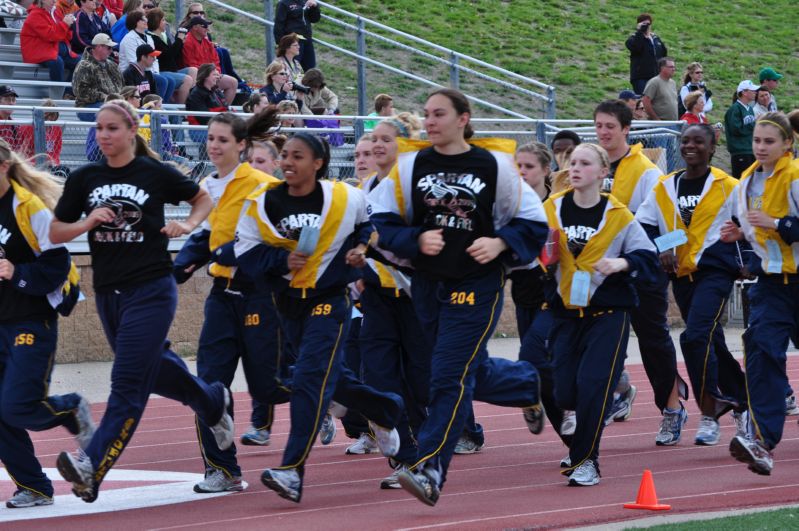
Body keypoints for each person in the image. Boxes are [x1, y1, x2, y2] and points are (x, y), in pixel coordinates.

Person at [50, 99, 234, 503]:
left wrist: (186, 224)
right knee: (155, 368)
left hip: (152, 289)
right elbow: (57, 232)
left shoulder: (153, 172)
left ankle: (90, 463)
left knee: (127, 383)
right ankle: (212, 401)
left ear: (133, 131)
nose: (103, 135)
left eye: (112, 128)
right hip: (108, 293)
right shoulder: (85, 177)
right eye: (99, 128)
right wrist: (88, 221)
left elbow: (202, 199)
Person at [368, 88, 546, 506]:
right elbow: (378, 220)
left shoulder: (493, 165)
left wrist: (501, 243)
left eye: (439, 114)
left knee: (447, 376)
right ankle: (526, 382)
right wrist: (414, 238)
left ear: (463, 118)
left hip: (477, 285)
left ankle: (429, 468)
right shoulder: (411, 166)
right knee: (462, 371)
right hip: (428, 286)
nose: (430, 122)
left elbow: (533, 222)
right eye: (427, 114)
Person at [234, 132, 405, 503]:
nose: (288, 162)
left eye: (298, 156)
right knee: (331, 378)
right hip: (288, 302)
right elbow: (246, 253)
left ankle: (291, 469)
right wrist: (280, 261)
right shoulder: (263, 203)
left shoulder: (345, 197)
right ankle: (388, 408)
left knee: (311, 378)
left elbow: (366, 226)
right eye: (284, 155)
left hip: (330, 300)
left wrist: (360, 249)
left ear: (318, 163)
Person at [172, 109, 290, 493]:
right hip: (222, 298)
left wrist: (233, 254)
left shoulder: (263, 185)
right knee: (210, 383)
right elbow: (205, 235)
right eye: (210, 139)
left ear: (242, 145)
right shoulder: (208, 184)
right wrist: (180, 267)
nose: (215, 146)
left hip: (261, 297)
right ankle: (222, 469)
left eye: (223, 139)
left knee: (268, 388)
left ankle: (340, 396)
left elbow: (278, 242)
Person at [545, 143, 659, 485]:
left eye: (584, 163)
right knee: (562, 391)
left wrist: (622, 262)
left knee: (593, 384)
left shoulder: (618, 214)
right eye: (571, 162)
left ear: (602, 172)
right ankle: (585, 439)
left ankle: (586, 461)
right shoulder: (552, 208)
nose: (575, 168)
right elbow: (533, 247)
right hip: (566, 313)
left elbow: (648, 258)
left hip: (609, 313)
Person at [636, 123, 749, 446]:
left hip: (715, 272)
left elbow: (748, 225)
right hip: (682, 277)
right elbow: (643, 225)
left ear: (712, 147)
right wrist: (665, 246)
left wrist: (748, 261)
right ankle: (743, 400)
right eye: (685, 141)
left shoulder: (729, 186)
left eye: (698, 141)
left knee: (695, 336)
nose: (690, 146)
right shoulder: (665, 186)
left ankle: (711, 410)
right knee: (710, 342)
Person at [0, 139, 91, 509]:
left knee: (17, 406)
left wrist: (16, 272)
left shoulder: (28, 208)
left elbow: (57, 265)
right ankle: (34, 486)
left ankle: (71, 408)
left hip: (30, 321)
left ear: (4, 166)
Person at [593, 99, 688, 445]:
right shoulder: (591, 166)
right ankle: (609, 400)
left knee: (652, 342)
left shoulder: (646, 172)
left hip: (644, 271)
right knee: (598, 343)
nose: (603, 132)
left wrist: (662, 252)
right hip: (605, 273)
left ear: (626, 130)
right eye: (599, 126)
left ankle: (672, 408)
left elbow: (676, 230)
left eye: (610, 127)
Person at [355, 115, 432, 488]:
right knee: (378, 372)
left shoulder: (416, 188)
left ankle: (425, 451)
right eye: (374, 142)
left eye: (386, 140)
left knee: (419, 380)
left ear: (404, 145)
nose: (378, 148)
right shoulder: (364, 189)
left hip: (415, 294)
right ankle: (405, 458)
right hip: (378, 297)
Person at [720, 112, 799, 475]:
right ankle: (762, 442)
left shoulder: (796, 177)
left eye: (769, 142)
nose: (761, 148)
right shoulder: (747, 182)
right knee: (762, 351)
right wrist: (741, 234)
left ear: (787, 144)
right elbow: (751, 225)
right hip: (771, 285)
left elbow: (778, 224)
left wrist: (779, 224)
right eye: (756, 141)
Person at [118, 10, 178, 104]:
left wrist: (155, 73)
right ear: (135, 22)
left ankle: (161, 107)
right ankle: (155, 108)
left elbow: (155, 58)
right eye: (143, 19)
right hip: (133, 73)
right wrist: (151, 74)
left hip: (147, 71)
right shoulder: (128, 39)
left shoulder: (148, 37)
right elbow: (133, 61)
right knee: (162, 81)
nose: (146, 21)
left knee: (171, 81)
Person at [20, 0, 78, 89]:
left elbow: (64, 36)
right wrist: (65, 24)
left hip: (50, 48)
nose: (54, 1)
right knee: (57, 62)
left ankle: (67, 93)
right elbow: (51, 35)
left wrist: (70, 26)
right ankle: (57, 93)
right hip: (37, 51)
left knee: (81, 63)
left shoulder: (53, 12)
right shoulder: (35, 15)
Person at [181, 17, 236, 104]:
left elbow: (215, 60)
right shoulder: (187, 41)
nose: (207, 28)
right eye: (204, 26)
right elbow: (190, 63)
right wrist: (209, 73)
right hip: (197, 76)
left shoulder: (207, 42)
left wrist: (216, 72)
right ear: (195, 27)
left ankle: (222, 113)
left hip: (210, 75)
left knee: (232, 82)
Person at [146, 8, 194, 104]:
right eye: (163, 20)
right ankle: (182, 110)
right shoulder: (151, 38)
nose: (166, 22)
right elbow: (167, 55)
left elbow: (174, 55)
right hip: (162, 71)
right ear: (157, 22)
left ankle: (190, 101)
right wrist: (179, 40)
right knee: (187, 79)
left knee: (193, 70)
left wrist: (181, 44)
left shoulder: (164, 36)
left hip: (172, 70)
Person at [73, 33, 124, 121]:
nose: (111, 51)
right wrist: (106, 98)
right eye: (109, 48)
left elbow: (123, 84)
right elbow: (81, 92)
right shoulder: (84, 66)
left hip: (113, 104)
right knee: (114, 111)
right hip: (88, 107)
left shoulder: (112, 65)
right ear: (99, 47)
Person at [185, 63, 229, 154]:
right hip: (199, 129)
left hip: (216, 127)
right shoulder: (196, 93)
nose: (217, 77)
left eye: (217, 75)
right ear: (205, 76)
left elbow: (226, 108)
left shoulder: (216, 91)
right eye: (214, 75)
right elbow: (203, 117)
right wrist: (221, 115)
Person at [625, 13, 667, 95]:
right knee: (643, 101)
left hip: (656, 77)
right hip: (641, 77)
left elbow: (663, 54)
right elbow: (637, 48)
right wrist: (639, 32)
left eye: (648, 24)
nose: (646, 26)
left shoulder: (655, 39)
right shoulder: (633, 38)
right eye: (643, 24)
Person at [724, 80, 759, 179]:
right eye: (752, 90)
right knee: (741, 182)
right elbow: (736, 129)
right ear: (744, 92)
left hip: (750, 150)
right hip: (740, 151)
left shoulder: (750, 109)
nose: (755, 92)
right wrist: (754, 123)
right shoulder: (735, 109)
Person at [274, 0, 320, 71]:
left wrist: (315, 7)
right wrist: (281, 43)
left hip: (307, 40)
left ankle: (308, 82)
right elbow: (278, 25)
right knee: (293, 69)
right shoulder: (283, 3)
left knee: (310, 68)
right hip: (292, 41)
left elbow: (315, 19)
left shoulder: (306, 1)